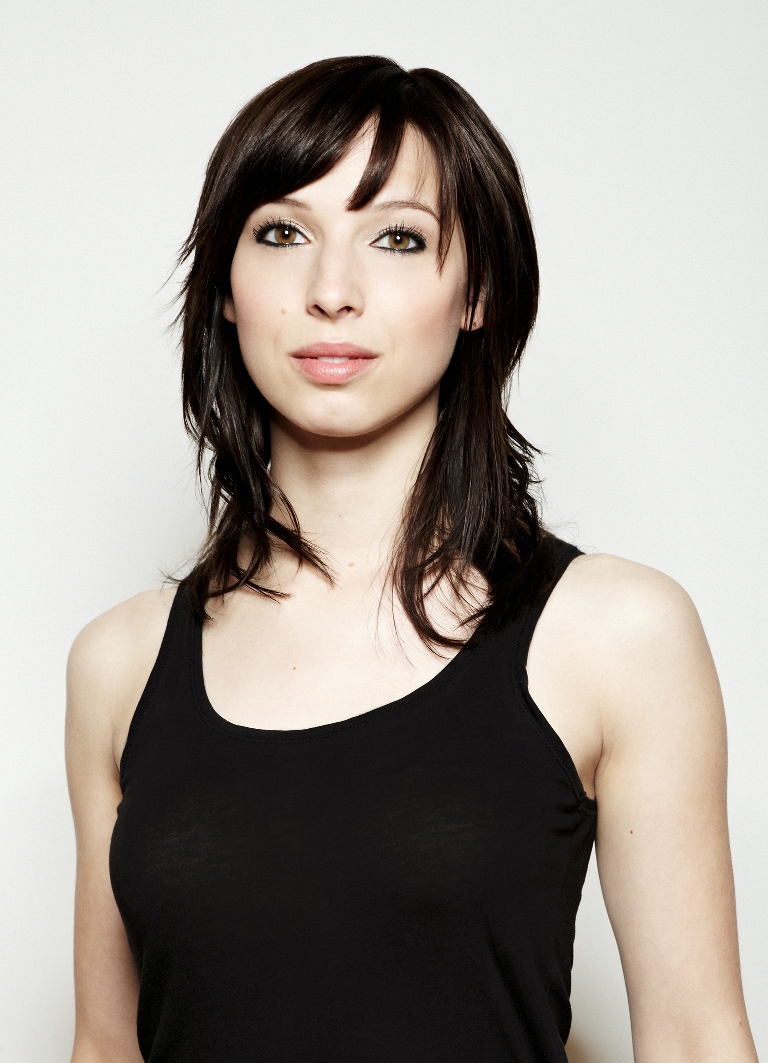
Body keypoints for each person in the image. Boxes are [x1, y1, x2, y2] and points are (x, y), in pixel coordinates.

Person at [65, 56, 758, 1063]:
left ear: (478, 290)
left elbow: (695, 1041)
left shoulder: (614, 634)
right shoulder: (119, 664)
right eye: (282, 233)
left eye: (397, 237)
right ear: (226, 288)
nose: (330, 291)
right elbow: (102, 1047)